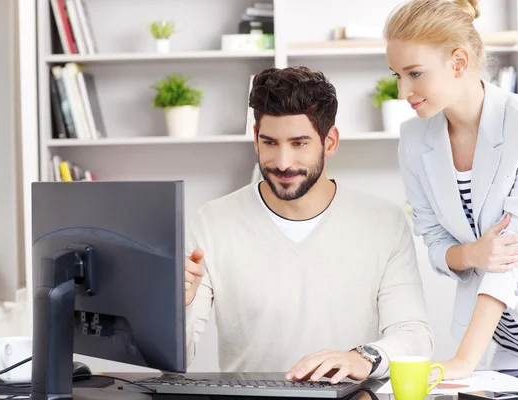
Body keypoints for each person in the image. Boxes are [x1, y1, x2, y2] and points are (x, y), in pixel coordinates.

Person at [183, 66, 433, 383]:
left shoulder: (384, 222)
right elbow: (179, 355)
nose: (283, 162)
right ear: (256, 141)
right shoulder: (210, 222)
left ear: (330, 142)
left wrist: (362, 358)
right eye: (270, 142)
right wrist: (181, 305)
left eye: (299, 143)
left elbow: (414, 335)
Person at [384, 0, 518, 380]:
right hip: (502, 343)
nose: (403, 91)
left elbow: (514, 255)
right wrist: (473, 253)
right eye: (397, 75)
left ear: (458, 62)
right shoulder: (414, 137)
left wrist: (463, 360)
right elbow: (433, 240)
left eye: (414, 73)